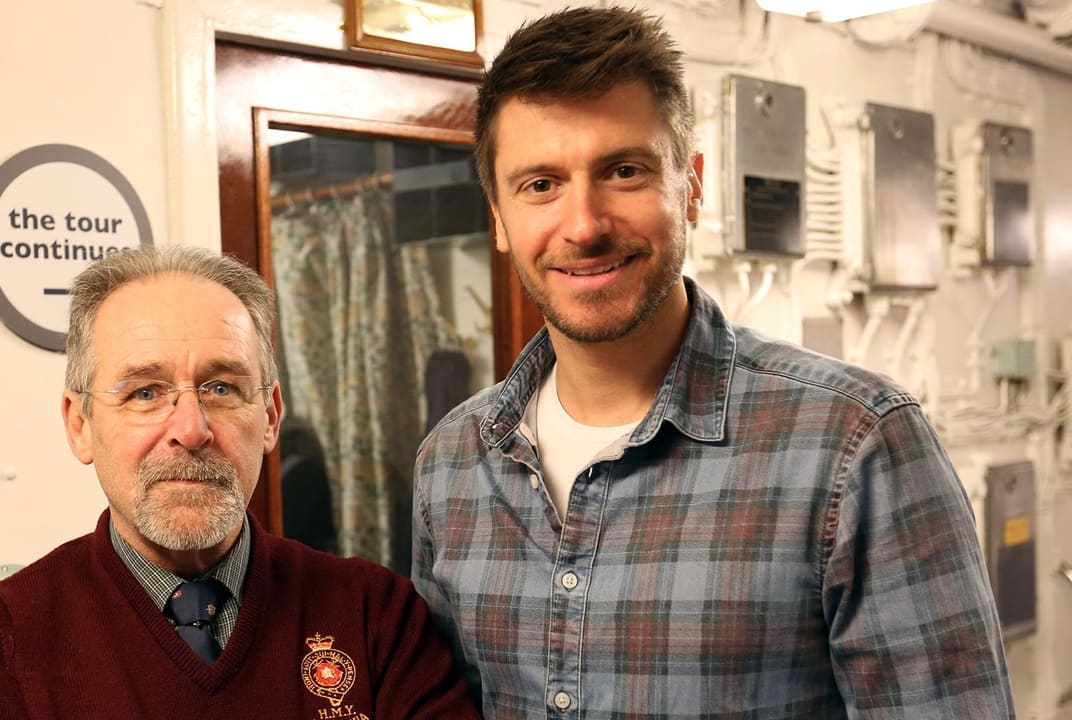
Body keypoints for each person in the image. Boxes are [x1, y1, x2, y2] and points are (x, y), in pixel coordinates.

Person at [411, 7, 1015, 719]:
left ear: (691, 187)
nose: (583, 224)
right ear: (500, 219)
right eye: (540, 184)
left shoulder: (855, 445)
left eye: (624, 171)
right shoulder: (452, 463)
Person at [0, 246, 478, 718]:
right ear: (80, 424)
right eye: (144, 392)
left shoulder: (376, 617)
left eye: (221, 388)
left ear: (271, 417)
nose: (190, 428)